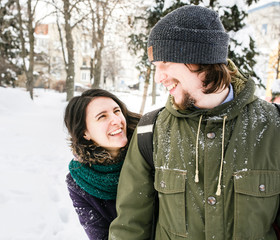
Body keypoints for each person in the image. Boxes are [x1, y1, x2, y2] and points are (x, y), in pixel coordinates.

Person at [109, 5, 280, 240]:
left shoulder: (274, 127)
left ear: (200, 59)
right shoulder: (151, 130)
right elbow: (130, 227)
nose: (159, 77)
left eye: (165, 63)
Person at [64, 89, 140, 240]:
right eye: (102, 117)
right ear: (85, 132)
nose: (116, 120)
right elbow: (100, 236)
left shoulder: (147, 148)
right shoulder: (79, 181)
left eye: (117, 111)